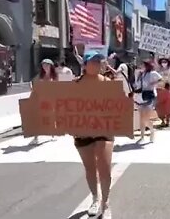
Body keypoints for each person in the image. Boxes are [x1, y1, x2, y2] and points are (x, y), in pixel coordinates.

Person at [73, 52, 115, 218]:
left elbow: (119, 105)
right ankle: (95, 198)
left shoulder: (108, 83)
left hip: (104, 129)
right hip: (82, 131)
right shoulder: (74, 84)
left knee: (105, 168)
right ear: (84, 65)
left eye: (99, 61)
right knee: (90, 168)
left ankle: (105, 203)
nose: (97, 64)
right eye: (93, 61)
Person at [29, 59, 58, 146]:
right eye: (43, 65)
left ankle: (52, 133)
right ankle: (36, 137)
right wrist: (32, 87)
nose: (45, 67)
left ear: (51, 66)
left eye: (47, 65)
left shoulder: (54, 76)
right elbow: (32, 82)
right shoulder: (40, 75)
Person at [136, 60, 162, 142]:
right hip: (141, 96)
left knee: (146, 118)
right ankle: (142, 136)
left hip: (150, 95)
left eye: (144, 65)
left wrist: (153, 83)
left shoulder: (153, 73)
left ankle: (152, 131)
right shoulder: (142, 74)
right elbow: (138, 84)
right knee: (141, 118)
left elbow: (160, 79)